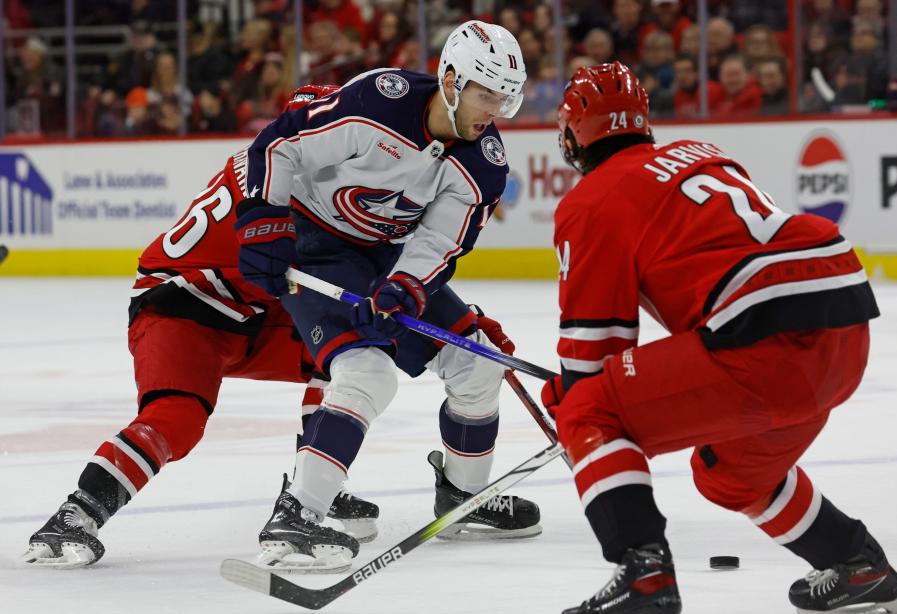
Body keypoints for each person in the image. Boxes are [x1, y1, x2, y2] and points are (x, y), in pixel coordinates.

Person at [542, 62, 897, 614]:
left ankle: (643, 571)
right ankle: (857, 563)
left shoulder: (591, 202)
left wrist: (569, 399)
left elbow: (595, 355)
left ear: (574, 136)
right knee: (732, 474)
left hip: (766, 345)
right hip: (843, 329)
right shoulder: (700, 151)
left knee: (590, 407)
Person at [20, 86, 377, 569]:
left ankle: (314, 493)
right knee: (177, 420)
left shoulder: (281, 161)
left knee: (343, 354)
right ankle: (75, 515)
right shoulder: (287, 181)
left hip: (245, 310)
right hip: (180, 303)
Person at [233, 20, 541, 571]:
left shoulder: (484, 164)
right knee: (367, 373)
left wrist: (407, 286)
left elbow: (439, 241)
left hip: (389, 257)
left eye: (504, 100)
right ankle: (296, 513)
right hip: (318, 246)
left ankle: (463, 498)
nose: (493, 111)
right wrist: (262, 219)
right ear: (450, 79)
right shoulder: (378, 101)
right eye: (485, 94)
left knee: (476, 364)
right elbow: (280, 144)